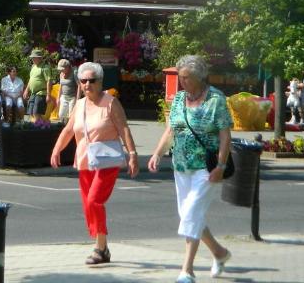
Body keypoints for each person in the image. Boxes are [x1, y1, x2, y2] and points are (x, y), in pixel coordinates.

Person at [149, 54, 233, 283]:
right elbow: (171, 130)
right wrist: (157, 153)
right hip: (181, 164)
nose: (181, 81)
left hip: (206, 167)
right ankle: (219, 252)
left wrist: (221, 165)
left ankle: (187, 270)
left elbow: (226, 135)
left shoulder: (216, 99)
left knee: (190, 214)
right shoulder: (178, 99)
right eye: (180, 77)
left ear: (199, 77)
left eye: (186, 77)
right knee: (189, 215)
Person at [50, 61, 138, 266]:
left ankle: (100, 247)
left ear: (100, 81)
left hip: (107, 160)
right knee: (88, 205)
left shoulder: (111, 102)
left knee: (94, 201)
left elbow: (124, 129)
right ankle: (102, 247)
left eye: (91, 80)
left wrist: (132, 154)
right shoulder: (79, 104)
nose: (87, 84)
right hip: (84, 160)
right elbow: (69, 130)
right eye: (83, 81)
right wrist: (57, 150)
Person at [23, 47, 53, 120]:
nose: (32, 59)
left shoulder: (45, 68)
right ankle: (41, 126)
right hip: (33, 93)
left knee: (37, 113)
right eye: (32, 57)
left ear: (40, 58)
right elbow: (31, 79)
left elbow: (49, 81)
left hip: (41, 93)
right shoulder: (33, 67)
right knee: (31, 113)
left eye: (34, 57)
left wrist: (48, 95)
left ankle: (40, 128)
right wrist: (26, 90)